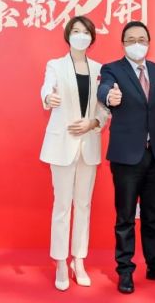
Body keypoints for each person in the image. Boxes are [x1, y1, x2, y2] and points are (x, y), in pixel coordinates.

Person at [97, 21, 155, 294]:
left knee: (153, 215)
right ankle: (125, 270)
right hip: (126, 157)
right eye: (131, 39)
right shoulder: (112, 69)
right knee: (125, 217)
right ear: (123, 43)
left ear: (148, 42)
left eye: (142, 39)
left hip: (154, 155)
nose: (137, 43)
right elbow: (104, 89)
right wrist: (109, 96)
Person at [39, 16, 109, 291]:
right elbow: (47, 88)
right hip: (61, 146)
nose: (81, 35)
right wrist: (48, 98)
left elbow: (104, 107)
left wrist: (94, 122)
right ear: (68, 35)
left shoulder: (100, 69)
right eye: (76, 31)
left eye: (86, 32)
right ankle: (60, 261)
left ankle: (78, 260)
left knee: (83, 205)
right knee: (62, 205)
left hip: (88, 144)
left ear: (92, 37)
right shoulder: (55, 65)